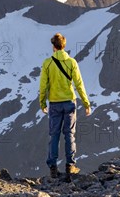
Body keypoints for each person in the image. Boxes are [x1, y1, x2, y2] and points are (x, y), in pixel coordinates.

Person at [39, 33, 91, 178]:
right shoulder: (71, 62)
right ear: (64, 45)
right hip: (69, 102)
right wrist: (86, 103)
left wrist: (42, 102)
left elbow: (43, 85)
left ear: (53, 46)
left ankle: (53, 167)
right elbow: (79, 84)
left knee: (54, 135)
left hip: (54, 103)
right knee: (69, 134)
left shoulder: (47, 63)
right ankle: (70, 165)